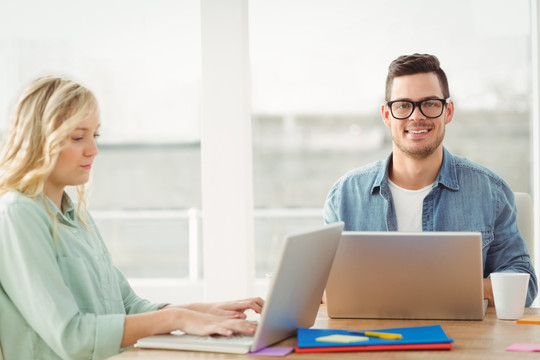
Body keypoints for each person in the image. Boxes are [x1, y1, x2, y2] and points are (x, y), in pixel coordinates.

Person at [0, 77, 264, 360]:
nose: (93, 150)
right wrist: (176, 319)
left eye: (95, 136)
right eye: (78, 137)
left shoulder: (77, 217)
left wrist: (200, 312)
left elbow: (127, 306)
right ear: (39, 139)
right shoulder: (18, 214)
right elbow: (72, 337)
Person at [324, 53, 538, 307]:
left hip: (463, 342)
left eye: (430, 103)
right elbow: (319, 286)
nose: (416, 116)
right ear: (386, 114)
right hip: (374, 340)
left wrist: (436, 287)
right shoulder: (345, 195)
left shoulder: (489, 191)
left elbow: (524, 283)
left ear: (448, 111)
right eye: (403, 105)